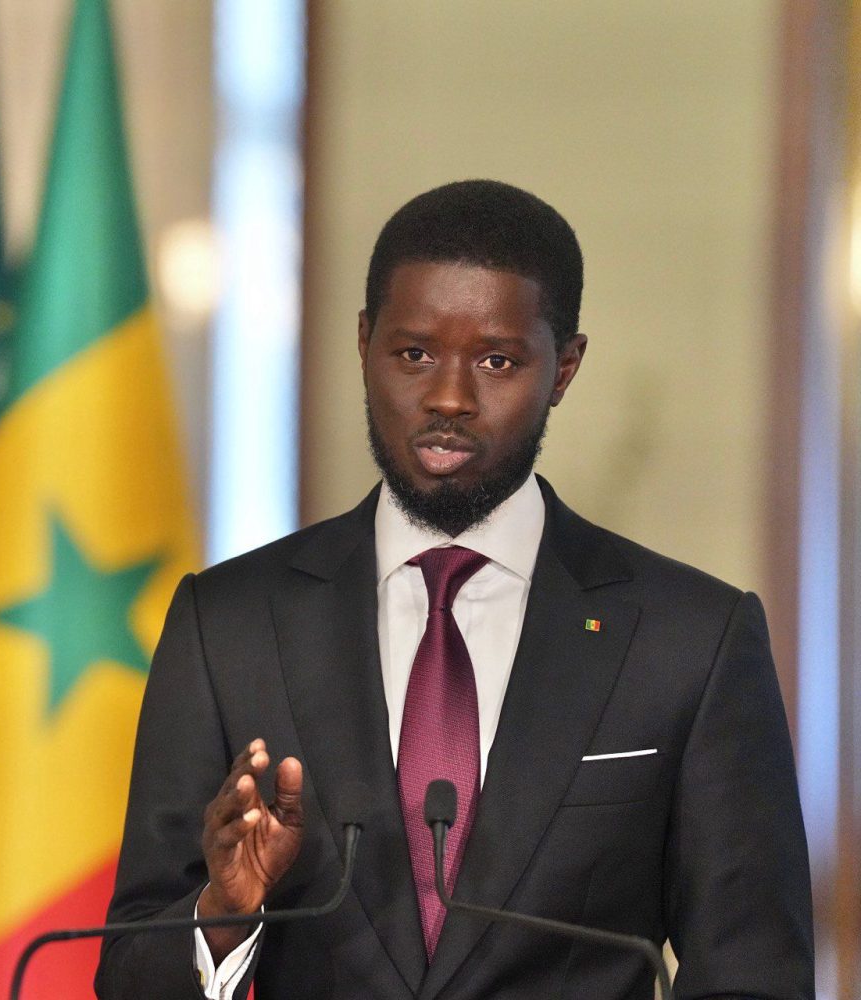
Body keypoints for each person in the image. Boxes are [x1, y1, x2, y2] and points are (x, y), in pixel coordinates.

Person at [95, 180, 814, 999]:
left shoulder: (691, 640)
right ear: (364, 343)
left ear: (565, 367)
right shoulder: (227, 625)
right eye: (414, 355)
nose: (448, 398)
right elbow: (129, 971)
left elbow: (755, 973)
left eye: (497, 361)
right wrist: (223, 917)